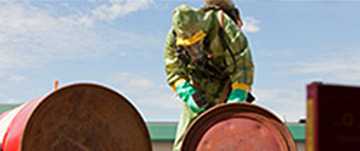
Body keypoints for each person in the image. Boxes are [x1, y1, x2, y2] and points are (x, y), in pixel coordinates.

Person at [164, 4, 254, 151]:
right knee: (183, 142)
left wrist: (236, 98)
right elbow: (173, 71)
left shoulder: (223, 25)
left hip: (226, 86)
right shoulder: (173, 38)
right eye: (188, 45)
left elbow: (242, 65)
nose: (193, 49)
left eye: (196, 41)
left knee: (235, 135)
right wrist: (188, 94)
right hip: (198, 88)